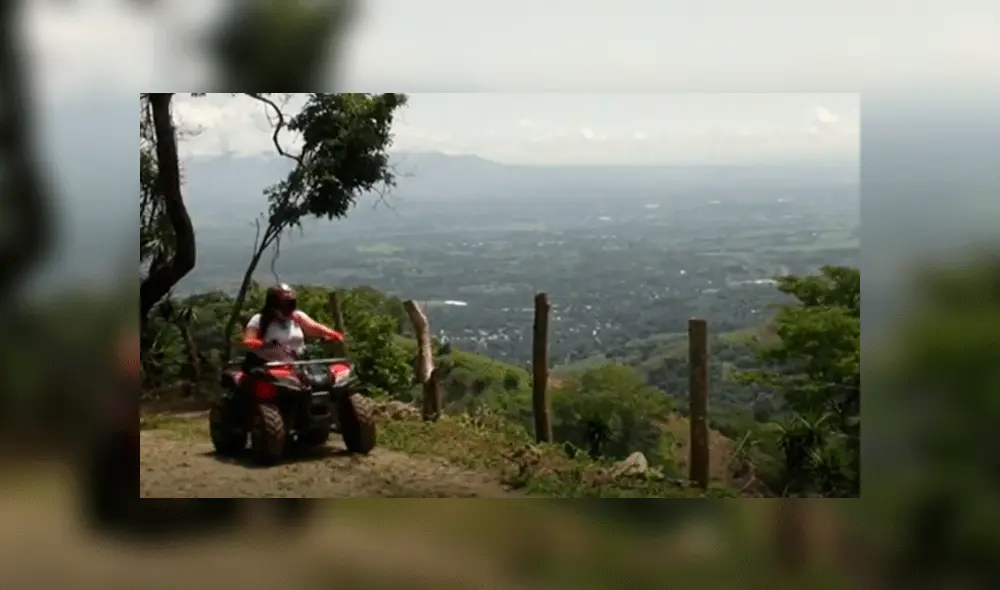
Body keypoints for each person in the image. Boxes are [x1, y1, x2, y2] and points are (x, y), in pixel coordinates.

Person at [241, 283, 344, 364]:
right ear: (273, 304)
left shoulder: (297, 316)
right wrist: (261, 344)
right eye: (286, 304)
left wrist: (333, 334)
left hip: (298, 366)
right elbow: (249, 341)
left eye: (291, 303)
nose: (289, 307)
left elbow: (314, 327)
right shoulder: (259, 319)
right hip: (270, 367)